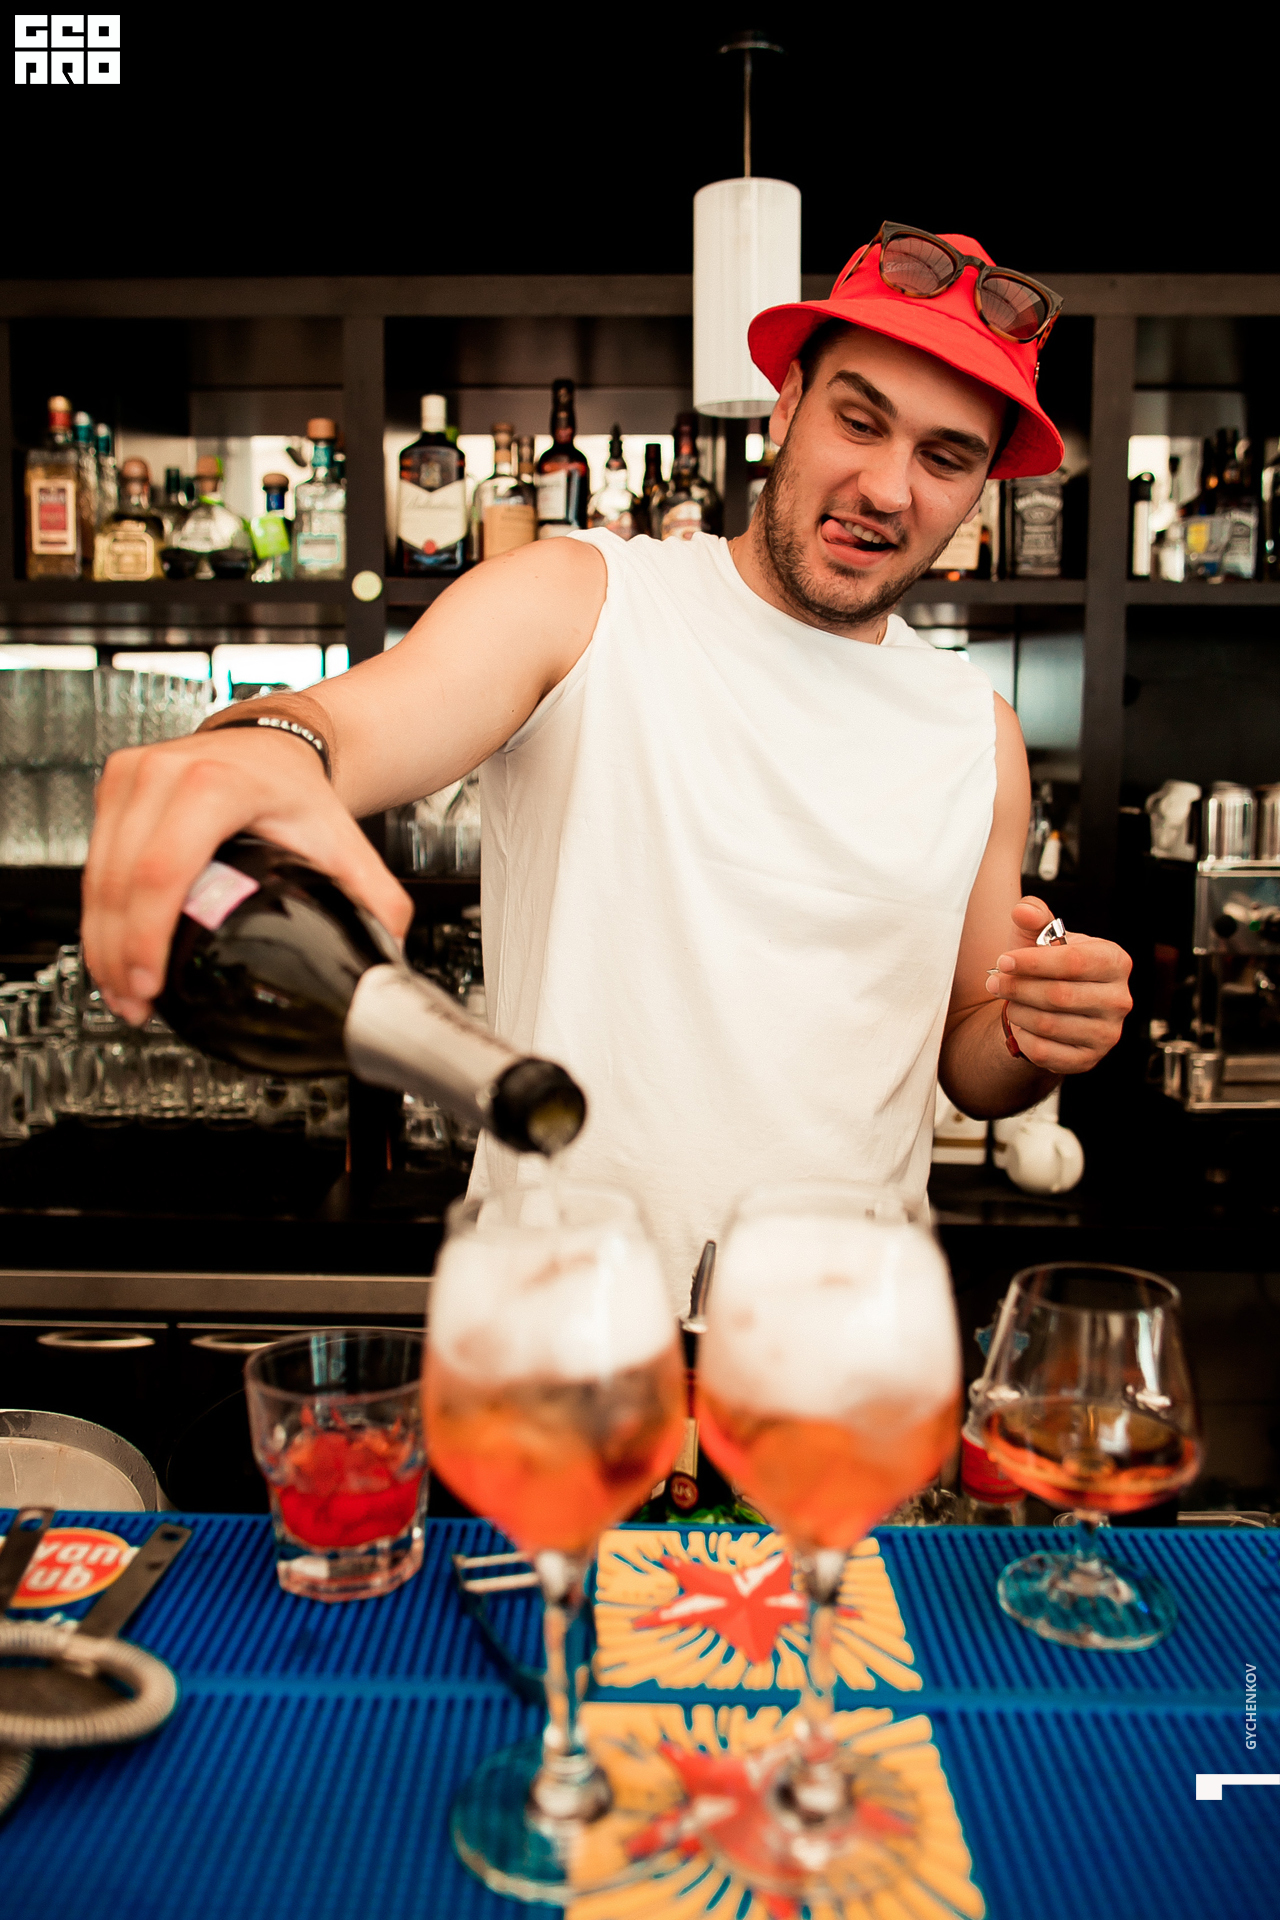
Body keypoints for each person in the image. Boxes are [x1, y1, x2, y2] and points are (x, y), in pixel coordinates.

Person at [83, 225, 1132, 1308]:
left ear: (978, 488)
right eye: (857, 422)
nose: (887, 487)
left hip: (834, 1346)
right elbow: (346, 724)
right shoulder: (584, 600)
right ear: (785, 406)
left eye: (944, 458)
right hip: (558, 1326)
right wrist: (272, 751)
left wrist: (1033, 1032)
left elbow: (968, 1057)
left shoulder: (975, 732)